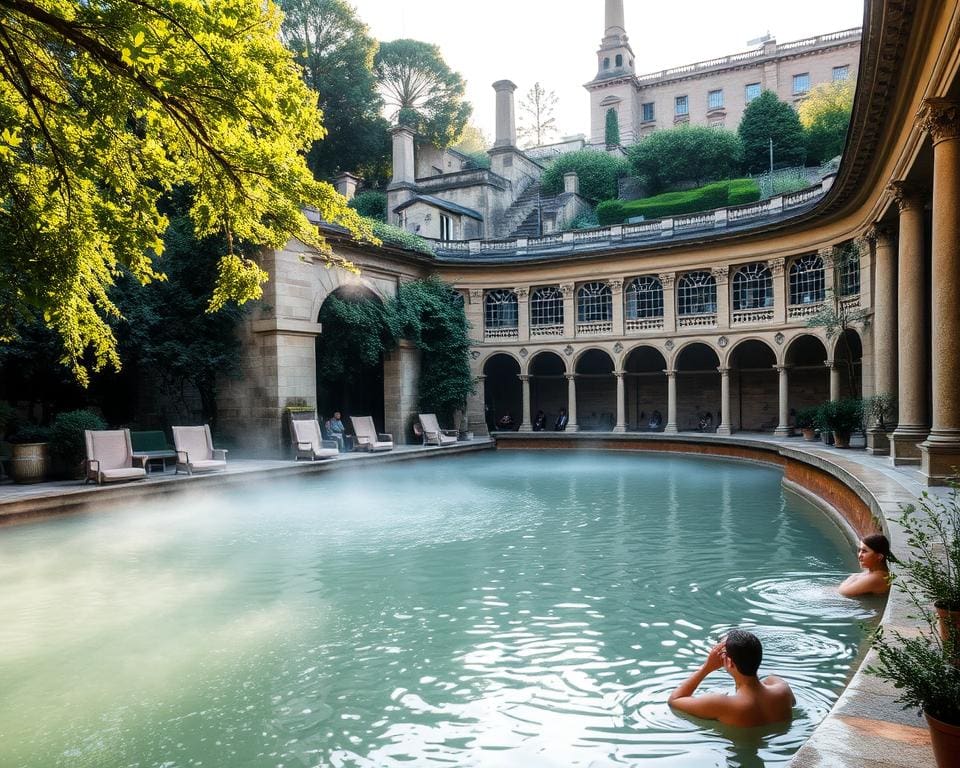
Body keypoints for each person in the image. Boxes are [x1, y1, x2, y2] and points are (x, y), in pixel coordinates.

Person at [668, 629, 795, 728]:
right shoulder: (782, 688)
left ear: (730, 662)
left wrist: (707, 667)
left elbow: (675, 700)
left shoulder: (722, 704)